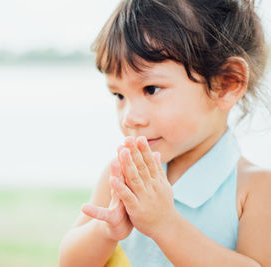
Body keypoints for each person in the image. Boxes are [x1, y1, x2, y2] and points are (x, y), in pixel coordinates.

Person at [58, 0, 271, 266]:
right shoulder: (124, 176)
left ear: (226, 83)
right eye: (119, 94)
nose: (129, 117)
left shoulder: (255, 189)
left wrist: (166, 226)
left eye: (151, 89)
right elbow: (70, 262)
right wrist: (105, 230)